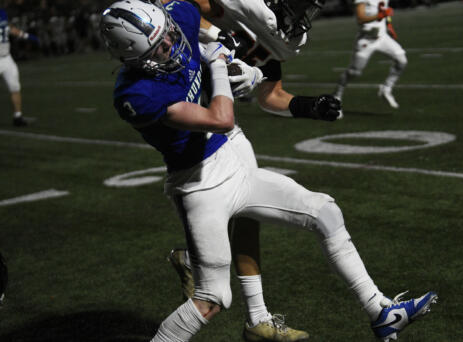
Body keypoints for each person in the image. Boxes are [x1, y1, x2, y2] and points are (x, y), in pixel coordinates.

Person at [100, 1, 437, 342]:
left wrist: (237, 59)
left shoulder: (182, 18)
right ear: (132, 59)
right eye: (159, 49)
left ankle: (380, 311)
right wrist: (219, 62)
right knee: (212, 300)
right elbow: (221, 118)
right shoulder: (135, 94)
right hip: (200, 185)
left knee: (325, 211)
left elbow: (198, 23)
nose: (171, 47)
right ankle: (191, 271)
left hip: (234, 157)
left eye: (169, 36)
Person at [163, 0, 341, 340]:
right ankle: (196, 263)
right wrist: (220, 35)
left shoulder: (267, 25)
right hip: (185, 104)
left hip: (220, 120)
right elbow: (178, 8)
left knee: (247, 212)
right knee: (213, 291)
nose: (304, 12)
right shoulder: (240, 6)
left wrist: (307, 106)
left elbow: (269, 94)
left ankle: (257, 318)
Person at [332, 0, 407, 109]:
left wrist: (389, 25)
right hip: (366, 40)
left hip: (382, 38)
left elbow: (383, 12)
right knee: (354, 72)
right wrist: (380, 15)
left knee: (402, 61)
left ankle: (386, 89)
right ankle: (336, 96)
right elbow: (360, 18)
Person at [0, 7, 37, 126]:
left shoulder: (2, 13)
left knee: (15, 87)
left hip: (6, 58)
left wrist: (26, 36)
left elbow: (9, 29)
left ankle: (18, 116)